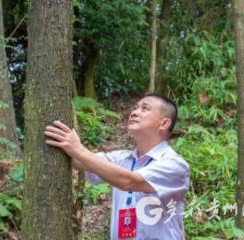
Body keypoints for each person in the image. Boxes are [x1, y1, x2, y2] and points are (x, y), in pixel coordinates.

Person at [44, 92, 190, 240]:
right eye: (135, 107)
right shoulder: (121, 158)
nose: (134, 112)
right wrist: (63, 143)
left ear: (164, 123)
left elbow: (130, 181)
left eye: (144, 108)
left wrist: (78, 150)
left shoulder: (174, 165)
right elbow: (79, 162)